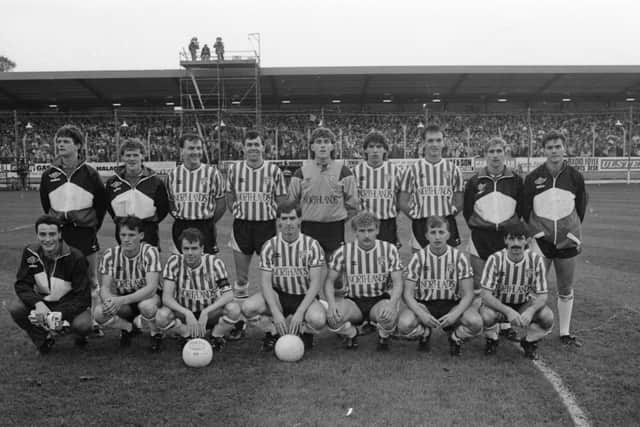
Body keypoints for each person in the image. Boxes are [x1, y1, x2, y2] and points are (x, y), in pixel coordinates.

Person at [523, 131, 588, 347]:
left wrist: (569, 232)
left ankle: (565, 333)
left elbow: (580, 208)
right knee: (535, 288)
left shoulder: (575, 177)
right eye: (550, 147)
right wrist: (538, 233)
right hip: (541, 242)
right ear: (544, 150)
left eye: (557, 146)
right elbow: (525, 209)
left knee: (565, 287)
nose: (554, 151)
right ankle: (533, 333)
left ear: (564, 148)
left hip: (567, 242)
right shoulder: (533, 177)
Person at [39, 125, 107, 332]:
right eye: (58, 141)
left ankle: (93, 320)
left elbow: (101, 205)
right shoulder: (49, 174)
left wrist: (89, 225)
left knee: (91, 278)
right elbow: (45, 203)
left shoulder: (90, 173)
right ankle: (63, 318)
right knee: (60, 276)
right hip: (61, 234)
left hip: (85, 233)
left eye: (66, 141)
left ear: (78, 145)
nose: (60, 145)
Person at [241, 201, 327, 351]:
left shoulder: (312, 245)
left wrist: (300, 312)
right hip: (278, 296)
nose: (288, 223)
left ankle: (304, 332)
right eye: (284, 218)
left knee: (318, 320)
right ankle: (272, 331)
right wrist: (275, 312)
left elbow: (315, 284)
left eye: (292, 218)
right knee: (248, 308)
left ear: (300, 220)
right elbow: (265, 283)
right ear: (278, 221)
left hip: (304, 295)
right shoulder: (269, 246)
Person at [463, 137, 524, 337]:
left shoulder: (516, 179)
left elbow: (522, 209)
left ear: (505, 153)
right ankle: (490, 330)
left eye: (499, 151)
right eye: (491, 151)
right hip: (480, 237)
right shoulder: (474, 181)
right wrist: (482, 225)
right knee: (481, 283)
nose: (495, 155)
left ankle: (505, 326)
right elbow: (467, 211)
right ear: (485, 155)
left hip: (505, 238)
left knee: (504, 282)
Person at [397, 216, 482, 356]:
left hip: (451, 304)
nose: (437, 237)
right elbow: (407, 294)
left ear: (448, 235)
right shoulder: (418, 257)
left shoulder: (458, 257)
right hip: (424, 304)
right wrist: (422, 314)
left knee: (476, 323)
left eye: (441, 232)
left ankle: (456, 337)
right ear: (426, 236)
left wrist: (455, 314)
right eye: (433, 232)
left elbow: (468, 294)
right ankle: (424, 333)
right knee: (404, 324)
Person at [8, 215, 92, 354]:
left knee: (83, 325)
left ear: (59, 234)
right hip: (43, 302)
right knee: (15, 307)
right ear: (37, 235)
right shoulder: (30, 253)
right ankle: (43, 340)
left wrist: (61, 313)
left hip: (68, 303)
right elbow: (22, 284)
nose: (47, 239)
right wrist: (38, 303)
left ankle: (76, 334)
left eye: (52, 234)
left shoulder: (76, 257)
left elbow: (83, 297)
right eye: (42, 234)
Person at [324, 211, 404, 351]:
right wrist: (331, 304)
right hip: (354, 301)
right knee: (333, 319)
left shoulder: (389, 250)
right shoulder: (343, 252)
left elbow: (398, 282)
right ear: (355, 231)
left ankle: (383, 336)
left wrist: (392, 304)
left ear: (377, 230)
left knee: (390, 317)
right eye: (362, 231)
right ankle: (352, 333)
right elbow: (329, 282)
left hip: (379, 299)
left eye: (370, 230)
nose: (366, 235)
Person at [155, 228, 243, 350]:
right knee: (161, 316)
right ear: (181, 249)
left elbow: (228, 295)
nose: (190, 253)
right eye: (186, 248)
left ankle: (215, 336)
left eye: (194, 248)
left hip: (210, 313)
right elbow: (166, 298)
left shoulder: (214, 263)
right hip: (184, 313)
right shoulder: (174, 262)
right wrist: (187, 313)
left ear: (202, 249)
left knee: (234, 309)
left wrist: (206, 312)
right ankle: (187, 335)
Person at [226, 130, 288, 300]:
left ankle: (272, 315)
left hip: (266, 227)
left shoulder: (274, 170)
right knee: (241, 278)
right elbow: (229, 197)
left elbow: (282, 201)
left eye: (256, 144)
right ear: (243, 149)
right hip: (242, 227)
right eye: (249, 145)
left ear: (263, 147)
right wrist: (241, 211)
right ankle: (241, 320)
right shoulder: (234, 169)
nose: (253, 148)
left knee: (272, 276)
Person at [480, 223, 554, 359]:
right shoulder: (495, 259)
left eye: (520, 239)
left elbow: (542, 295)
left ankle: (529, 342)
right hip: (499, 303)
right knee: (486, 315)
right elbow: (485, 295)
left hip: (523, 303)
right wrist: (507, 311)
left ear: (527, 240)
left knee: (547, 317)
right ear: (505, 240)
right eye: (512, 239)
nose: (516, 243)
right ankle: (492, 339)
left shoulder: (536, 260)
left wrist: (531, 311)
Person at [94, 216, 163, 351]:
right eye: (123, 235)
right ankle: (128, 328)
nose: (126, 239)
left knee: (146, 306)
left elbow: (151, 288)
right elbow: (105, 287)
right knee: (99, 313)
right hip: (125, 300)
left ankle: (156, 334)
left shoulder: (150, 252)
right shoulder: (110, 254)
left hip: (148, 297)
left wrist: (121, 300)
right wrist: (109, 302)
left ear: (141, 235)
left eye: (131, 235)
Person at [288, 127, 359, 258]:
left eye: (326, 142)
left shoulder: (344, 173)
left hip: (335, 228)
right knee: (307, 271)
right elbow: (292, 204)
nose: (322, 145)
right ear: (312, 147)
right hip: (309, 227)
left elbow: (353, 205)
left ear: (332, 146)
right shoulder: (300, 173)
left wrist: (338, 218)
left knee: (336, 272)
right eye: (318, 142)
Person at [398, 124, 464, 250]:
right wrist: (417, 217)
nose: (435, 144)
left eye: (438, 140)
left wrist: (447, 216)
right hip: (421, 224)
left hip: (446, 223)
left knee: (448, 265)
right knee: (421, 265)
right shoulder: (412, 170)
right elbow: (402, 201)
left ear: (443, 142)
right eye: (430, 140)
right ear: (424, 143)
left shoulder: (454, 169)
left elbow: (460, 201)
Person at [166, 133, 226, 255]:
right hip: (181, 226)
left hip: (205, 226)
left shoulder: (213, 174)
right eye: (191, 148)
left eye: (199, 148)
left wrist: (209, 222)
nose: (196, 152)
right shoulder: (172, 175)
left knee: (206, 266)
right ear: (182, 150)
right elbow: (170, 204)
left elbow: (221, 205)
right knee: (180, 265)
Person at [105, 139, 170, 247]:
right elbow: (109, 206)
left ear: (142, 156)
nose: (132, 159)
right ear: (122, 157)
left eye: (135, 155)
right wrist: (122, 220)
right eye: (128, 155)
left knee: (148, 262)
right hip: (123, 234)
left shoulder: (155, 182)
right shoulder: (112, 182)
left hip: (149, 235)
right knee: (124, 262)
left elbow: (163, 208)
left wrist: (148, 222)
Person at [352, 130, 402, 245]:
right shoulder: (356, 171)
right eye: (371, 146)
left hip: (387, 223)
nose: (375, 150)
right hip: (364, 223)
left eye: (379, 146)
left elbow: (399, 199)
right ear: (365, 149)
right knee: (365, 257)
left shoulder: (395, 171)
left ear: (385, 150)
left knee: (387, 257)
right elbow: (353, 201)